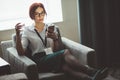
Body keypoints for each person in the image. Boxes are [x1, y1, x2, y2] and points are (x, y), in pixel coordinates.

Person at [15, 2, 108, 80]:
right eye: (37, 13)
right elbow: (21, 52)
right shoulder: (27, 30)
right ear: (32, 15)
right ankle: (92, 71)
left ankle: (91, 78)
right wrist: (18, 36)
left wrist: (55, 39)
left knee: (65, 67)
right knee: (65, 52)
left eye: (42, 13)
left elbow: (55, 50)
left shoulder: (51, 26)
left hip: (51, 55)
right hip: (39, 60)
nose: (40, 16)